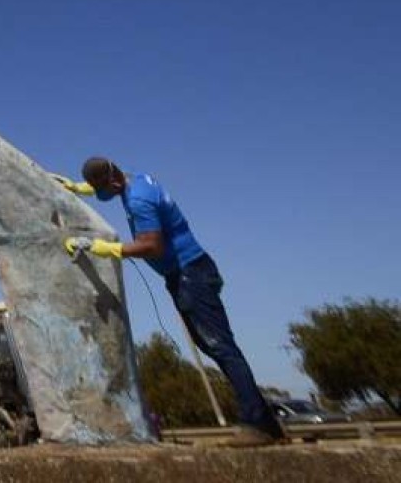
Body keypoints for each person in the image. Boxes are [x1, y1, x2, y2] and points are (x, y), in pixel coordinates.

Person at [58, 157, 285, 448]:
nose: (101, 194)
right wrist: (77, 188)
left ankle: (257, 424)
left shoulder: (138, 201)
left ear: (113, 182)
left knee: (219, 345)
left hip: (190, 275)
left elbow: (152, 245)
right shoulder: (137, 180)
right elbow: (113, 184)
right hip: (194, 270)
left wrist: (103, 248)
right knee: (213, 345)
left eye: (101, 188)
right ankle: (266, 421)